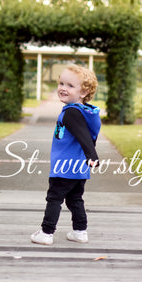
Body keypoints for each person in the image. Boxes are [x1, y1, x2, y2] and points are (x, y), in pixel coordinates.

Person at [31, 64, 101, 245]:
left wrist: (92, 155)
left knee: (54, 198)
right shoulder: (84, 112)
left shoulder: (71, 113)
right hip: (78, 167)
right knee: (75, 198)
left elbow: (84, 137)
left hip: (64, 166)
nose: (63, 88)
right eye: (62, 83)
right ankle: (80, 231)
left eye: (70, 86)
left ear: (84, 92)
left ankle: (46, 233)